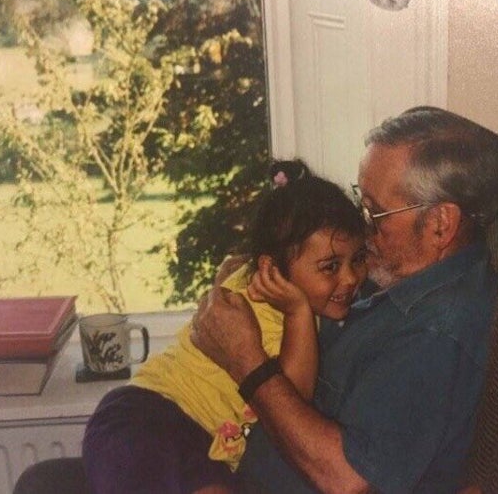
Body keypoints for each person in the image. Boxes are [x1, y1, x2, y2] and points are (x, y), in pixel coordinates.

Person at [192, 106, 498, 493]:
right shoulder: (407, 271)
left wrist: (247, 363)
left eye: (377, 212)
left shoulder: (436, 336)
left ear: (440, 225)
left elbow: (348, 480)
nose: (363, 226)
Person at [82, 161, 368, 494]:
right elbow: (292, 398)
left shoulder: (287, 290)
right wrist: (299, 313)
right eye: (330, 266)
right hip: (147, 418)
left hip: (204, 441)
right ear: (272, 269)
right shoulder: (264, 309)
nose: (350, 279)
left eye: (358, 259)